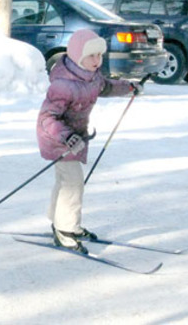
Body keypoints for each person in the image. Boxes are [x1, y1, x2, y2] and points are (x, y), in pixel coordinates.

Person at [36, 29, 139, 253]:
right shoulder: (63, 84)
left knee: (66, 182)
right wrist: (67, 137)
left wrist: (129, 87)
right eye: (91, 55)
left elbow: (107, 86)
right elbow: (47, 118)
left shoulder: (92, 77)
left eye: (99, 55)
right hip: (58, 138)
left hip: (74, 138)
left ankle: (59, 220)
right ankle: (65, 230)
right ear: (76, 55)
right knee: (73, 183)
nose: (97, 60)